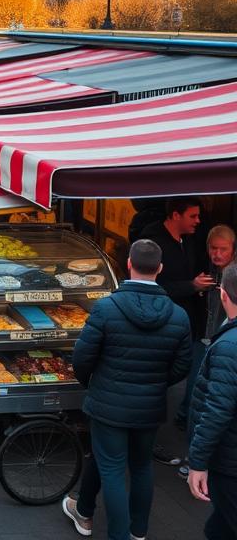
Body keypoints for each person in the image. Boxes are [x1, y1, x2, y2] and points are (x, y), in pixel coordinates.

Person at [63, 239, 192, 540]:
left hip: (108, 404)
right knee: (142, 467)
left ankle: (117, 534)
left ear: (130, 265)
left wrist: (95, 384)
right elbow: (182, 365)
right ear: (160, 268)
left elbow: (82, 358)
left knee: (111, 469)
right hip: (149, 407)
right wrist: (155, 383)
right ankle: (138, 532)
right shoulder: (178, 315)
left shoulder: (107, 308)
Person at [140, 197, 214, 454]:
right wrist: (191, 286)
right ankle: (147, 437)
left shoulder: (190, 240)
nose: (198, 221)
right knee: (157, 381)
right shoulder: (153, 243)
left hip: (188, 322)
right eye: (192, 216)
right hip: (162, 325)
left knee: (184, 373)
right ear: (175, 215)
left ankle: (179, 418)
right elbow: (153, 287)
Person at [179, 225, 236, 478]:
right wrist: (193, 286)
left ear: (233, 249)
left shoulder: (233, 276)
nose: (217, 253)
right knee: (196, 395)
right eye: (213, 248)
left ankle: (197, 459)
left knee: (213, 403)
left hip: (222, 344)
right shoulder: (203, 268)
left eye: (223, 249)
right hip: (202, 340)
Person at [187, 263, 237, 540]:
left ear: (223, 295)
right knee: (218, 528)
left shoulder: (229, 346)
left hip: (229, 461)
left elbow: (217, 411)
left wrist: (198, 462)